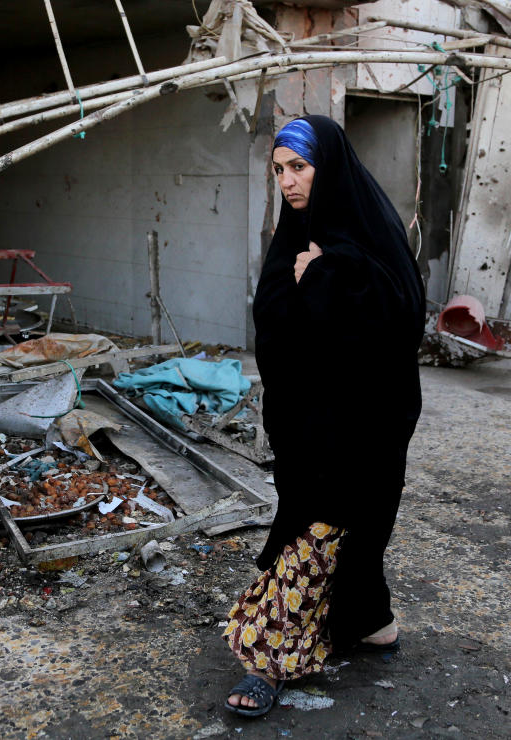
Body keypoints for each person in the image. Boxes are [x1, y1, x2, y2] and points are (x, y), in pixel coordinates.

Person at [221, 115, 425, 717]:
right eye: (278, 169)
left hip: (365, 418)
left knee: (319, 530)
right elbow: (278, 327)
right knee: (344, 527)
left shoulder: (367, 228)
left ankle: (270, 656)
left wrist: (327, 277)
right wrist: (304, 285)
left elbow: (401, 319)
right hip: (309, 416)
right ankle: (371, 623)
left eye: (299, 167)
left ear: (328, 166)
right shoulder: (295, 235)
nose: (287, 181)